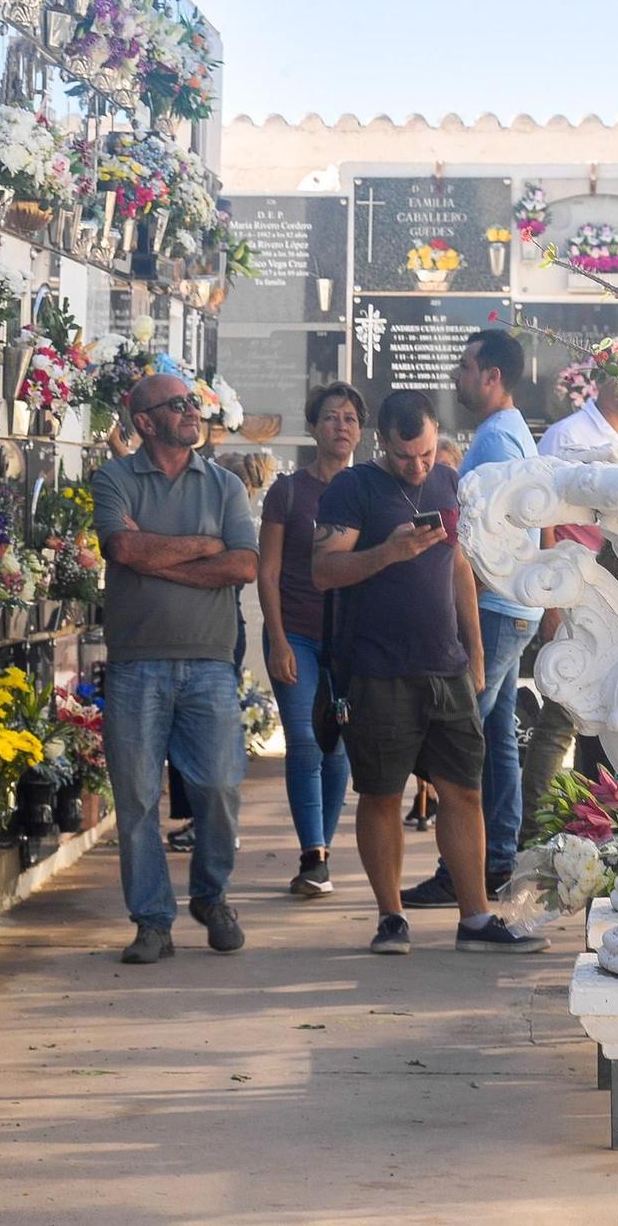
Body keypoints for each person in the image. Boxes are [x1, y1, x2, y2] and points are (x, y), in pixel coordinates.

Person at [312, 388, 545, 955]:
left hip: (447, 667)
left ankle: (476, 919)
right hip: (377, 669)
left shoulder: (447, 482)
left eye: (424, 453)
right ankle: (391, 917)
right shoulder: (354, 488)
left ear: (438, 436)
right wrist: (385, 554)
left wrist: (477, 652)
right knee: (382, 793)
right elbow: (322, 570)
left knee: (464, 790)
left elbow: (459, 565)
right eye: (402, 457)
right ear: (381, 443)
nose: (415, 467)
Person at [91, 372, 259, 964]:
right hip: (136, 664)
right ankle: (152, 922)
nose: (192, 411)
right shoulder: (114, 478)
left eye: (194, 402)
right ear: (144, 421)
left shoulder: (224, 487)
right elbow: (123, 550)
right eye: (178, 404)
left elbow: (242, 565)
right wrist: (201, 545)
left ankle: (211, 897)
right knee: (136, 798)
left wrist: (161, 557)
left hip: (209, 664)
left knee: (218, 787)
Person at [403, 329, 552, 908]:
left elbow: (488, 537)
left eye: (466, 367)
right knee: (496, 739)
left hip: (493, 606)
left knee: (459, 742)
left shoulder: (494, 442)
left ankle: (459, 869)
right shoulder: (511, 433)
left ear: (492, 376)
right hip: (514, 603)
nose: (457, 377)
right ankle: (496, 859)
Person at [520, 376, 618, 845]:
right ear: (602, 378)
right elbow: (544, 516)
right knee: (559, 715)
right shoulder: (568, 435)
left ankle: (597, 830)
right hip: (578, 585)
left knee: (608, 722)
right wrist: (553, 600)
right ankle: (536, 832)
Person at [259, 382, 362, 896]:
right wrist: (277, 640)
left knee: (336, 744)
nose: (340, 426)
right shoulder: (289, 492)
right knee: (303, 740)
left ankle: (325, 845)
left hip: (348, 642)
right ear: (314, 427)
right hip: (295, 633)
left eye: (348, 418)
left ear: (360, 432)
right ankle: (312, 855)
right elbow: (268, 572)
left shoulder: (367, 488)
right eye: (330, 417)